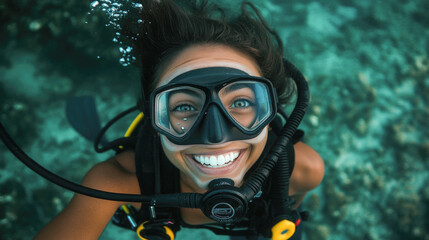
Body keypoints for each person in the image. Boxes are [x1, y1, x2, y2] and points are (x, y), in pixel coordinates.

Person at [34, 0, 324, 239]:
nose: (215, 136)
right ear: (154, 117)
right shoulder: (117, 182)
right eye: (185, 107)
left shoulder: (304, 170)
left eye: (240, 102)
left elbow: (288, 205)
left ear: (269, 109)